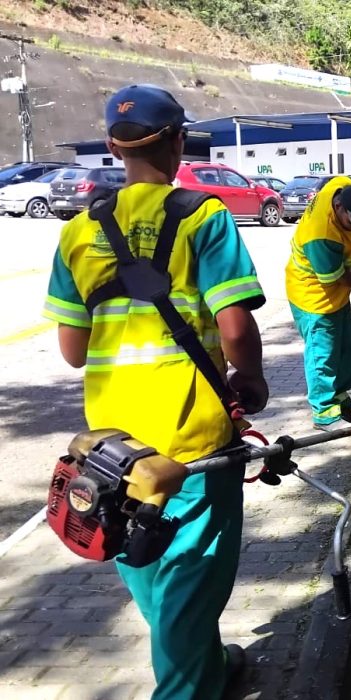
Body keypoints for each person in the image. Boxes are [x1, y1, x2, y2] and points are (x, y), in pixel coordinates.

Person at [43, 85, 268, 698]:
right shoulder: (203, 216)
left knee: (141, 556)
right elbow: (235, 327)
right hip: (192, 438)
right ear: (177, 142)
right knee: (193, 576)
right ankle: (187, 683)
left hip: (113, 446)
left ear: (114, 148)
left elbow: (72, 351)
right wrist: (251, 380)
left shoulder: (78, 231)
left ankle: (205, 663)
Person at [285, 176, 351, 430]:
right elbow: (336, 276)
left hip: (338, 296)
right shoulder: (320, 235)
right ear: (339, 207)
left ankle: (340, 399)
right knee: (323, 355)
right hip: (314, 297)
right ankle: (324, 413)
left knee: (342, 350)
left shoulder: (340, 186)